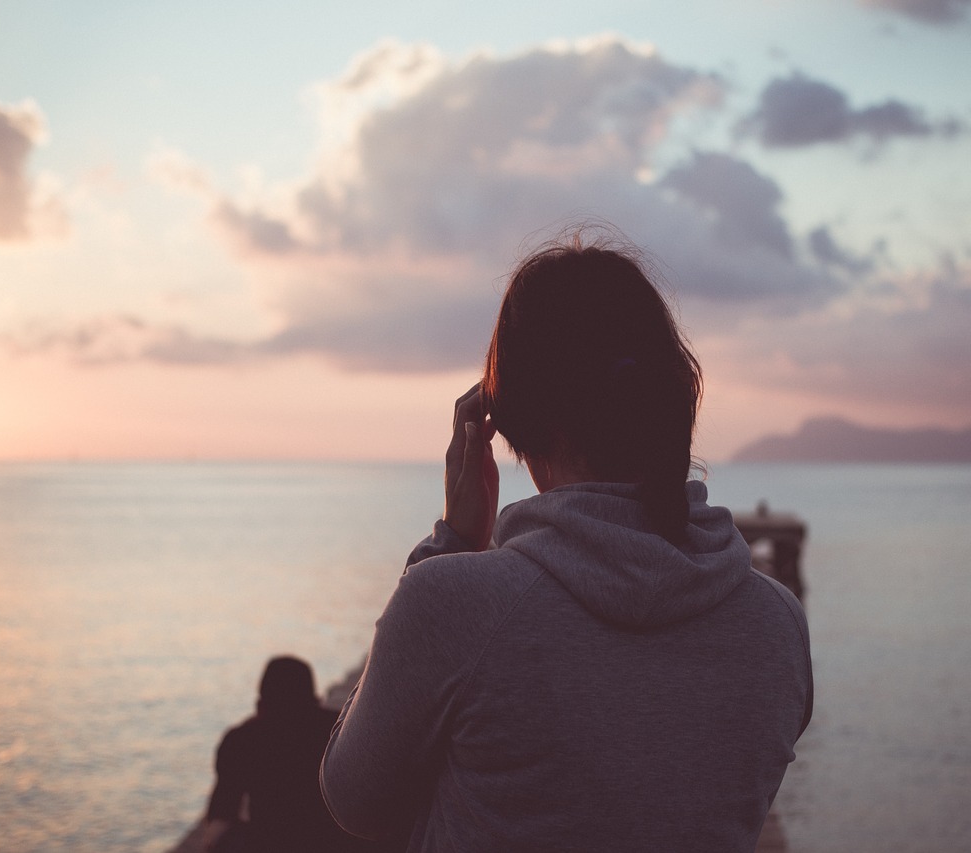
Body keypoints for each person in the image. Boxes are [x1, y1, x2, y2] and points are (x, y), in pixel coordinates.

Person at [321, 234, 813, 852]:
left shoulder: (454, 603)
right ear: (671, 401)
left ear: (510, 418)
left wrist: (453, 541)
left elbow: (354, 801)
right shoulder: (778, 625)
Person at [203, 656, 367, 853]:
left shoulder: (242, 739)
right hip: (337, 844)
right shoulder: (336, 731)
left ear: (261, 703)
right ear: (314, 700)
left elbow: (220, 817)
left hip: (268, 844)